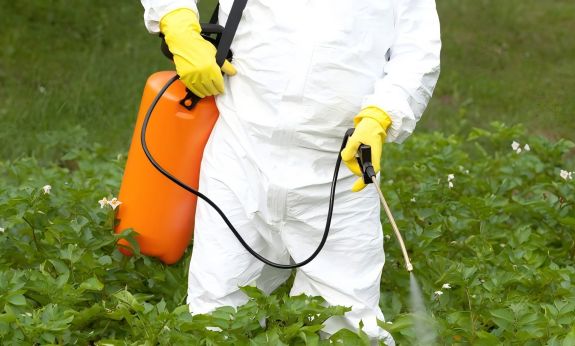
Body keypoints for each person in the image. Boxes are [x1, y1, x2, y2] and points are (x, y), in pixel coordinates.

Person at [141, 0, 440, 344]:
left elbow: (417, 52)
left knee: (346, 327)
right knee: (215, 317)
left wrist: (382, 114)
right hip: (240, 155)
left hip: (339, 176)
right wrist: (176, 20)